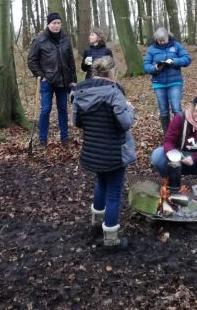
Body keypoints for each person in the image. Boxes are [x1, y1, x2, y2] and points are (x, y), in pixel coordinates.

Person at [73, 56, 135, 250]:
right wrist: (129, 109)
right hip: (114, 152)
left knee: (101, 184)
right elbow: (125, 122)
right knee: (114, 193)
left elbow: (77, 122)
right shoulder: (114, 92)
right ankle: (111, 239)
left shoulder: (80, 91)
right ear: (112, 72)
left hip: (93, 150)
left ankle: (96, 224)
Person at [27, 13, 77, 146]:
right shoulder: (39, 40)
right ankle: (42, 140)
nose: (56, 26)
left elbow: (70, 61)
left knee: (63, 109)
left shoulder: (66, 39)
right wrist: (41, 76)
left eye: (58, 23)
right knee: (45, 110)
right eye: (54, 23)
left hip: (63, 81)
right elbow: (31, 61)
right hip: (47, 82)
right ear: (48, 24)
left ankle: (65, 138)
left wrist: (73, 79)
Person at [143, 28, 191, 133]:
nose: (161, 43)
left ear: (168, 37)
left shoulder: (176, 46)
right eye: (159, 41)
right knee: (164, 111)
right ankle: (167, 134)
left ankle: (181, 133)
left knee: (176, 109)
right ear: (156, 39)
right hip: (159, 84)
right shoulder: (151, 49)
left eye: (163, 40)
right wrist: (155, 68)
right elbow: (146, 66)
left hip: (175, 82)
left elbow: (187, 59)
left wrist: (174, 61)